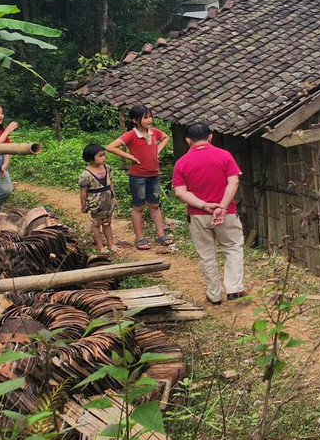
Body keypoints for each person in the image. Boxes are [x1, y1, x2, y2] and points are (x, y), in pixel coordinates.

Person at [170, 122, 245, 306]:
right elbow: (233, 183)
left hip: (198, 215)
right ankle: (234, 289)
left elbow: (180, 192)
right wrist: (222, 206)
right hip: (226, 213)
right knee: (233, 248)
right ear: (210, 137)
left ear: (188, 140)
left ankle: (214, 295)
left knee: (207, 255)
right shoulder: (225, 156)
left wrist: (204, 206)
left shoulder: (182, 163)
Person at [105, 105, 172, 251]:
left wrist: (157, 151)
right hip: (138, 176)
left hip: (154, 174)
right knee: (139, 206)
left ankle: (160, 234)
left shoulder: (154, 132)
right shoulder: (131, 135)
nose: (149, 120)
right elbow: (110, 147)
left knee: (155, 205)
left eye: (150, 117)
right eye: (146, 117)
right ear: (135, 120)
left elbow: (166, 137)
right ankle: (139, 237)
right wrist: (129, 156)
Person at [78, 143, 117, 254]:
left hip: (108, 201)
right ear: (91, 158)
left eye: (104, 155)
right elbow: (83, 191)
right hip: (96, 203)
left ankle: (111, 244)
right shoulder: (86, 174)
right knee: (96, 223)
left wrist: (114, 197)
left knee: (107, 223)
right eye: (100, 156)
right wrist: (83, 205)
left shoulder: (107, 168)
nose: (104, 157)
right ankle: (100, 246)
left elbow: (111, 183)